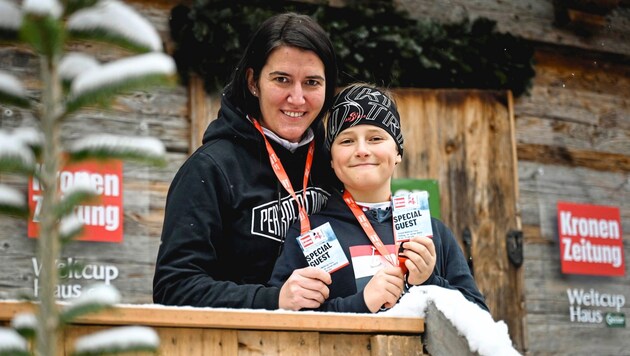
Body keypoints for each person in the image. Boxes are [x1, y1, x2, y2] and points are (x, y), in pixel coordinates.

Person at [153, 12, 339, 310]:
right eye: (282, 79)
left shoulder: (335, 165)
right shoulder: (211, 169)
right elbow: (173, 287)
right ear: (253, 82)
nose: (297, 97)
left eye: (312, 82)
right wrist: (273, 299)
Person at [269, 84, 488, 313]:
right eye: (347, 141)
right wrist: (360, 303)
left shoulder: (434, 234)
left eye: (375, 138)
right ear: (332, 159)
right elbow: (286, 320)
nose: (362, 150)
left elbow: (478, 319)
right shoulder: (309, 232)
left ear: (398, 152)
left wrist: (429, 281)